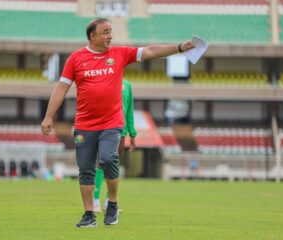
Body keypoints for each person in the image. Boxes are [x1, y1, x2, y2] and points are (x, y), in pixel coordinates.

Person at [41, 18, 194, 228]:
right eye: (105, 32)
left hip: (111, 123)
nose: (110, 36)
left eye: (111, 31)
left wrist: (178, 48)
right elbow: (61, 87)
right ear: (92, 36)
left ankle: (112, 203)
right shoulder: (76, 59)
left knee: (108, 158)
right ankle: (89, 215)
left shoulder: (119, 54)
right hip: (84, 124)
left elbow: (150, 51)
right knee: (85, 169)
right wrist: (49, 116)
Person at [93, 79, 136, 213]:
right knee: (101, 164)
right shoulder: (103, 80)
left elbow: (129, 110)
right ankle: (95, 202)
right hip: (104, 129)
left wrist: (132, 133)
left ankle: (109, 203)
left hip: (121, 130)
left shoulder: (127, 85)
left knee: (114, 166)